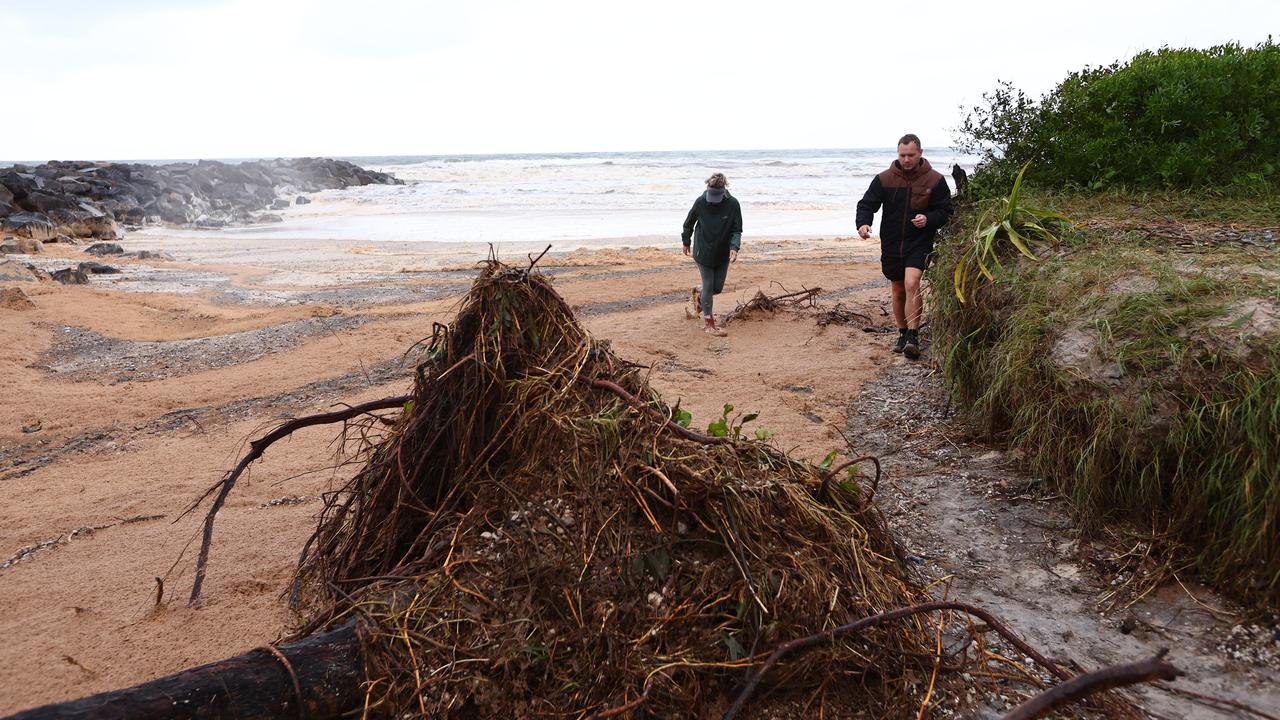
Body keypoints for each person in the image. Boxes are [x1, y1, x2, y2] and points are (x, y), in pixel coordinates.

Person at [856, 134, 953, 359]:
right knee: (898, 289)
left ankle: (913, 335)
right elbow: (867, 204)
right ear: (898, 154)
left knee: (912, 283)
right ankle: (901, 333)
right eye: (902, 155)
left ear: (920, 153)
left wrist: (928, 219)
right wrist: (863, 223)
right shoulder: (884, 179)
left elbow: (946, 211)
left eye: (910, 155)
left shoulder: (935, 180)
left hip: (919, 241)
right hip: (891, 242)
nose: (906, 159)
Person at [682, 172, 742, 336]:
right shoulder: (701, 202)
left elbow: (737, 230)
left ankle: (699, 292)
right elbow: (688, 223)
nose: (713, 200)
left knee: (717, 288)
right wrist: (686, 241)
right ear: (707, 188)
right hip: (703, 251)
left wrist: (734, 247)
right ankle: (709, 324)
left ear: (724, 190)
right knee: (709, 285)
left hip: (722, 253)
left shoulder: (733, 204)